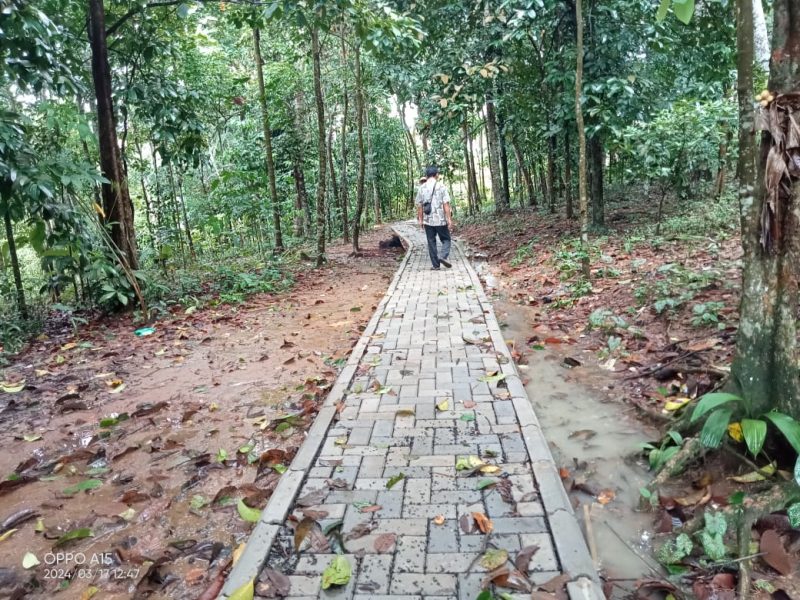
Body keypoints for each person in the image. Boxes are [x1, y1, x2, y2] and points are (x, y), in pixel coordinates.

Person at [415, 166, 453, 270]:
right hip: (440, 220)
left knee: (431, 242)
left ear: (426, 176)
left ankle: (435, 266)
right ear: (436, 175)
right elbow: (446, 204)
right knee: (446, 239)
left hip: (428, 220)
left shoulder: (422, 188)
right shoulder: (441, 186)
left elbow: (420, 206)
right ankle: (443, 256)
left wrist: (420, 220)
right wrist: (449, 219)